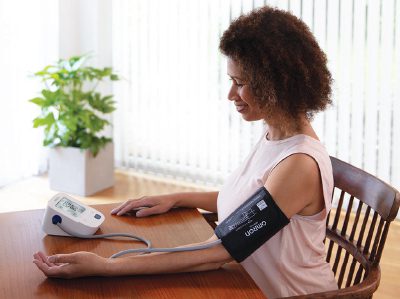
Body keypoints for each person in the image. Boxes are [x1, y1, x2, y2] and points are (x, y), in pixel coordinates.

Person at [33, 6, 338, 298]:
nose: (231, 94)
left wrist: (108, 267)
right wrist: (177, 198)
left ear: (276, 85)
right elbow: (252, 202)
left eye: (240, 83)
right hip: (245, 279)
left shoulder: (298, 165)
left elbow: (217, 253)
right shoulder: (276, 133)